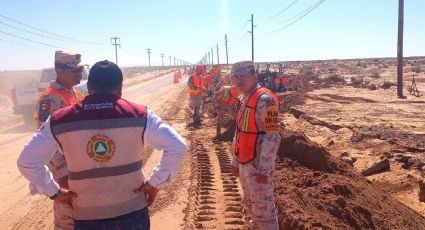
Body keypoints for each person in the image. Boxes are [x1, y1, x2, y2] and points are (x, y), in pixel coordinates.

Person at [18, 60, 186, 229]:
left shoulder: (58, 120)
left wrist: (54, 192)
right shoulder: (141, 115)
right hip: (133, 213)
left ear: (89, 88)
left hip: (86, 216)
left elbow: (26, 162)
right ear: (120, 88)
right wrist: (154, 183)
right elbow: (177, 146)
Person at [32, 50, 86, 229]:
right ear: (60, 70)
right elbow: (48, 145)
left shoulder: (75, 93)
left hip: (79, 169)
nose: (80, 74)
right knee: (68, 221)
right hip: (66, 174)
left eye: (81, 70)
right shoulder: (51, 99)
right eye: (75, 70)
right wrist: (62, 179)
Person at [230, 61, 280, 230]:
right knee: (251, 208)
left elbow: (272, 137)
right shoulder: (244, 98)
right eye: (235, 77)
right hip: (245, 163)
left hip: (258, 167)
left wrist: (264, 169)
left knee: (265, 215)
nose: (239, 80)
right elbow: (240, 132)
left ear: (254, 76)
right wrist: (235, 161)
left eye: (243, 76)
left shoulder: (265, 100)